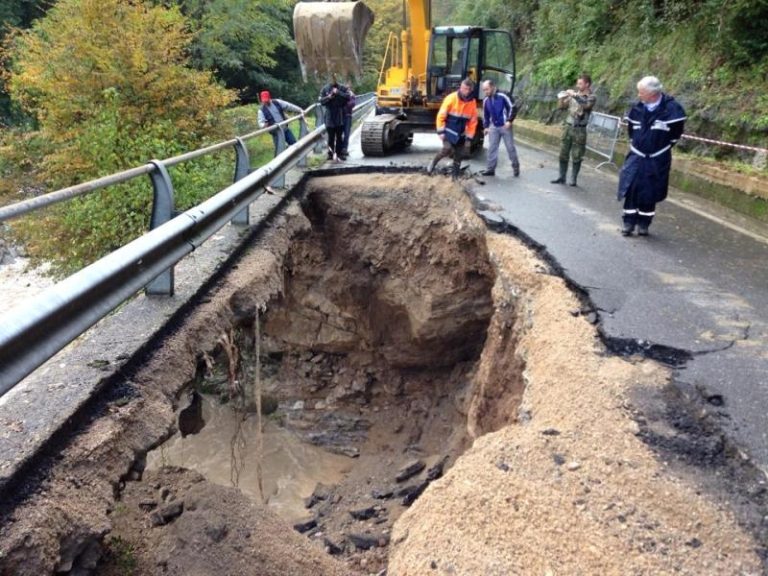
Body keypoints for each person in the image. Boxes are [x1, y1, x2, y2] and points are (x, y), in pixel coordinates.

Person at [617, 76, 686, 237]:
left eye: (641, 92)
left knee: (650, 191)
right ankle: (628, 223)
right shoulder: (637, 109)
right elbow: (632, 132)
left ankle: (644, 224)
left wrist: (659, 149)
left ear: (652, 93)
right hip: (637, 156)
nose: (639, 95)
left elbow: (675, 135)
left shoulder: (672, 110)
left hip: (657, 159)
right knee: (631, 187)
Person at [427, 78, 478, 180]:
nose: (465, 91)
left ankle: (455, 176)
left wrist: (469, 138)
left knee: (459, 154)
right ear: (461, 87)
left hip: (461, 133)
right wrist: (441, 131)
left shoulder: (472, 103)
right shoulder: (451, 98)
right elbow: (441, 116)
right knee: (447, 149)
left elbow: (473, 122)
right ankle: (433, 163)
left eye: (468, 89)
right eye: (463, 88)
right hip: (448, 130)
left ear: (471, 90)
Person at [551, 73, 596, 186]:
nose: (578, 85)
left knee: (577, 155)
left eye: (580, 83)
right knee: (563, 153)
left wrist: (574, 95)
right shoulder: (573, 95)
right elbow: (562, 107)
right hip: (568, 127)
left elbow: (586, 106)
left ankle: (573, 179)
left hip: (580, 129)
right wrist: (561, 98)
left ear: (587, 84)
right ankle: (562, 176)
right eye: (578, 83)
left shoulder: (591, 97)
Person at [480, 79, 520, 177]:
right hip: (493, 126)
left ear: (493, 86)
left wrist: (509, 120)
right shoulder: (486, 100)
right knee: (492, 148)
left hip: (505, 125)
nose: (486, 92)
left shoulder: (503, 95)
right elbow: (485, 114)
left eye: (487, 89)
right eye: (484, 90)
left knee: (510, 147)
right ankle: (490, 169)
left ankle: (515, 166)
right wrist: (485, 127)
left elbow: (513, 107)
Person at [319, 76, 351, 161]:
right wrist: (328, 97)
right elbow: (321, 101)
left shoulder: (342, 88)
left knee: (339, 136)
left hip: (340, 114)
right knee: (331, 137)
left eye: (334, 78)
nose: (333, 80)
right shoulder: (325, 88)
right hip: (329, 114)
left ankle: (339, 154)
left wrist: (338, 92)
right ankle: (330, 154)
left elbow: (348, 97)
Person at [341, 87, 356, 160]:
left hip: (347, 117)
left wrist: (352, 96)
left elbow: (352, 104)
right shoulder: (340, 95)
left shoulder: (351, 96)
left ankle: (344, 149)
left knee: (346, 134)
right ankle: (340, 150)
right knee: (339, 135)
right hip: (339, 117)